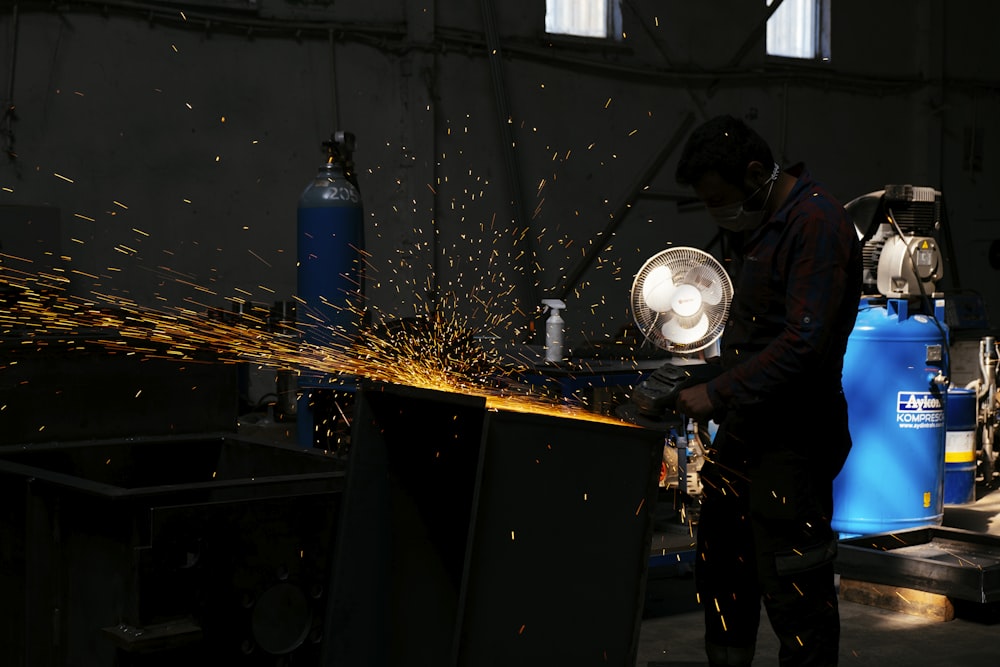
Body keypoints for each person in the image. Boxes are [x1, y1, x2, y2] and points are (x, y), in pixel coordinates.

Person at [673, 115, 862, 667]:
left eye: (719, 199)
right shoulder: (763, 221)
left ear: (756, 173)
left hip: (793, 443)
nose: (717, 212)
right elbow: (760, 334)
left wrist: (718, 392)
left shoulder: (817, 223)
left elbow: (804, 344)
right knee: (725, 570)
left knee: (794, 584)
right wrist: (706, 377)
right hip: (747, 433)